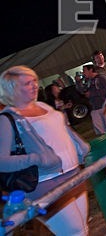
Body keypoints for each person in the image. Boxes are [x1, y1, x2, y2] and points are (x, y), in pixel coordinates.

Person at [0, 66, 90, 235]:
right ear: (11, 89)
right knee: (75, 232)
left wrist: (80, 145)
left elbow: (63, 129)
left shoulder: (43, 105)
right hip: (46, 183)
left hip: (73, 174)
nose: (35, 85)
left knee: (83, 229)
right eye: (27, 83)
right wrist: (35, 158)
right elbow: (1, 162)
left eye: (34, 80)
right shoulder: (7, 118)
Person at [80, 64, 106, 135]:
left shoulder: (102, 78)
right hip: (96, 109)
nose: (83, 73)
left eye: (84, 70)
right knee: (102, 133)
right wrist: (79, 82)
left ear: (91, 70)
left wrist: (92, 93)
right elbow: (82, 90)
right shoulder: (89, 81)